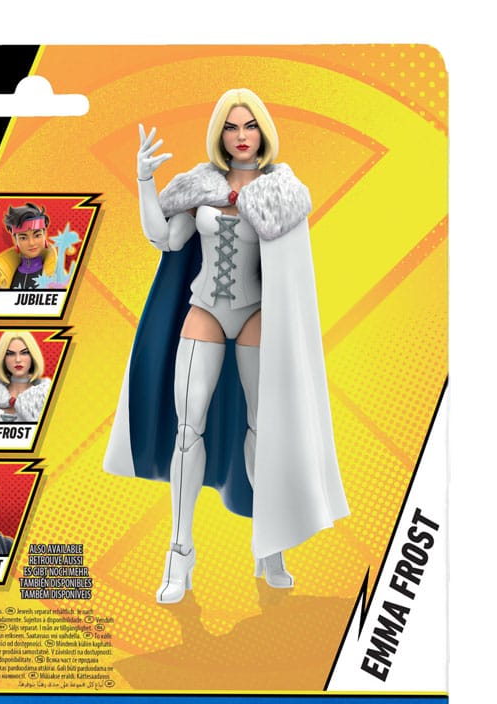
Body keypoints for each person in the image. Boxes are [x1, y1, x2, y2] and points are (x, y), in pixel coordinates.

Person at [104, 88, 348, 604]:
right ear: (220, 133)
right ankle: (179, 552)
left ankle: (270, 543)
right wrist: (146, 181)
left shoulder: (282, 193)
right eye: (232, 127)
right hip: (204, 312)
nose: (241, 136)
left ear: (263, 132)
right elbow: (165, 239)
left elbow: (293, 276)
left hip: (257, 314)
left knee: (264, 428)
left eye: (250, 126)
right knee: (187, 429)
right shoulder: (201, 185)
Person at [0, 203, 59, 289]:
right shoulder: (3, 277)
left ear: (45, 235)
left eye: (37, 235)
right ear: (15, 240)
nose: (31, 243)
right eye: (23, 238)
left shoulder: (57, 275)